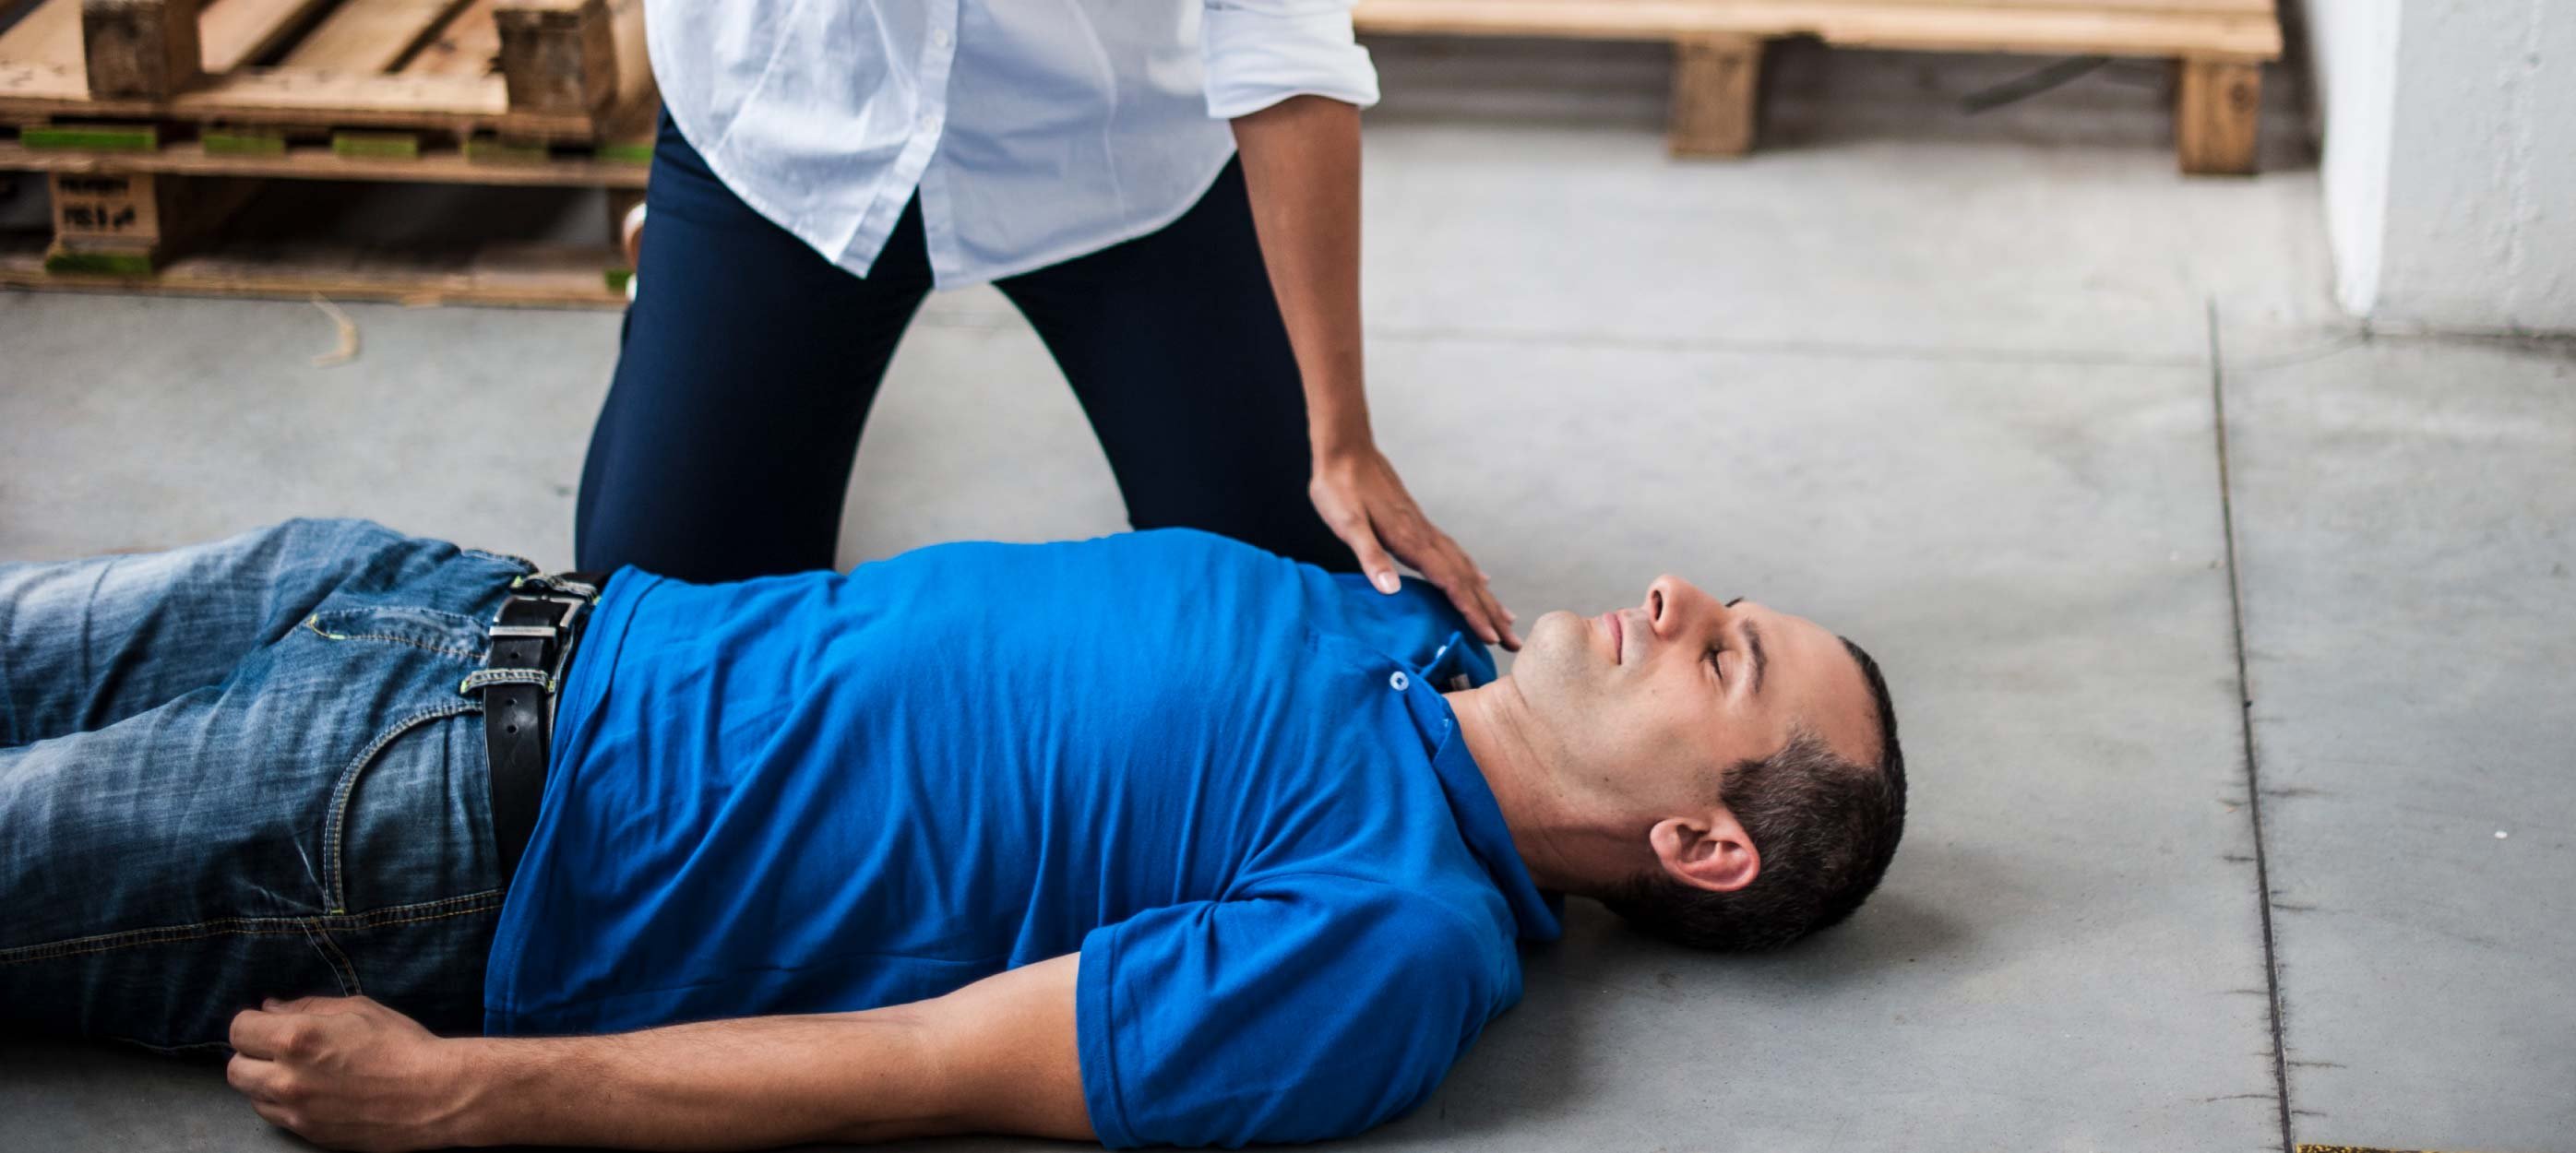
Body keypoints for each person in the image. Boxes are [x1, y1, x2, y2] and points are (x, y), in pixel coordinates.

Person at [0, 519, 1905, 1151]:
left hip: (426, 834)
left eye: (1723, 658)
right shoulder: (1411, 629)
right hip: (452, 600)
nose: (1674, 595)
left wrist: (472, 1099)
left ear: (1703, 846)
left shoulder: (1397, 940)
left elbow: (929, 1062)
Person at [581, 0, 1522, 652]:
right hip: (792, 123)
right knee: (654, 638)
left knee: (1312, 627)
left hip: (1110, 145)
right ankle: (689, 300)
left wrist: (1341, 435)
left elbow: (1279, 29)